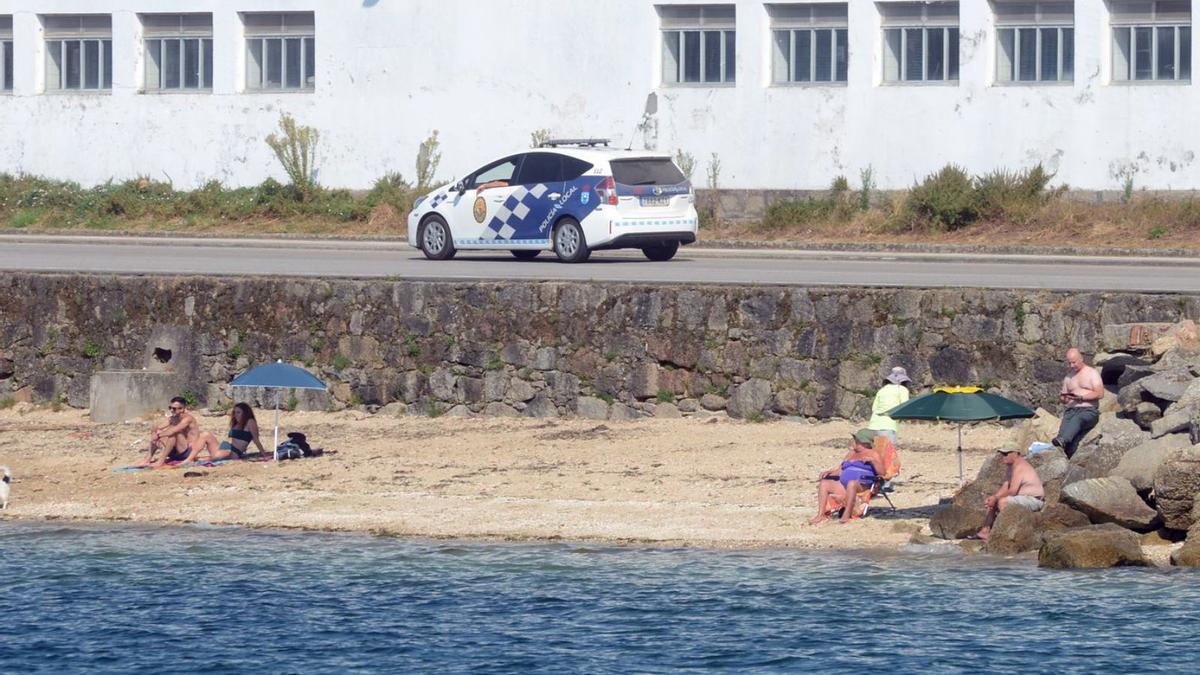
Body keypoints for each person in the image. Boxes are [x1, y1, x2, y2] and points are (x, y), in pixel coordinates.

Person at [809, 428, 885, 525]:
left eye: (856, 440)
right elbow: (841, 470)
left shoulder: (873, 454)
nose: (854, 442)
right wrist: (829, 473)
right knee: (824, 484)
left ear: (864, 443)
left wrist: (872, 461)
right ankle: (820, 515)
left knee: (852, 483)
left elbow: (882, 472)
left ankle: (846, 514)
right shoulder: (851, 453)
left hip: (862, 484)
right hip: (844, 484)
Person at [975, 444, 1045, 540]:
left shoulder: (1020, 467)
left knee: (1002, 502)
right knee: (993, 502)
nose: (1003, 456)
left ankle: (1005, 533)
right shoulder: (1011, 467)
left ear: (1016, 453)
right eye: (1002, 454)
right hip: (1022, 498)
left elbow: (1012, 491)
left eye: (1006, 453)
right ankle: (985, 531)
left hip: (1034, 500)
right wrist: (993, 497)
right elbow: (1005, 487)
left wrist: (996, 499)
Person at [1052, 347, 1103, 458]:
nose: (1072, 366)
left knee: (1078, 419)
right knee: (1063, 432)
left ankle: (1063, 440)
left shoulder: (1091, 373)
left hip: (1088, 411)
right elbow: (1063, 397)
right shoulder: (1068, 377)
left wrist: (1081, 398)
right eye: (1069, 363)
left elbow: (1100, 393)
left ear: (1081, 359)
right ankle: (1062, 452)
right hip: (1071, 411)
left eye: (1074, 362)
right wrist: (1063, 398)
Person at [187, 402, 266, 461]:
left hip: (234, 452)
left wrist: (264, 454)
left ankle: (190, 459)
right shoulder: (236, 423)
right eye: (234, 412)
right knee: (205, 434)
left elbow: (256, 439)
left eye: (239, 412)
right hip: (226, 447)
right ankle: (189, 458)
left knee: (214, 456)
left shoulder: (250, 422)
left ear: (245, 413)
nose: (236, 415)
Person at [146, 397, 204, 466]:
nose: (171, 410)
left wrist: (158, 435)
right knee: (159, 433)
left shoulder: (188, 419)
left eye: (174, 408)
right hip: (176, 451)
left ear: (182, 409)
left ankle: (160, 461)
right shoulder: (173, 418)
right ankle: (147, 460)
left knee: (175, 433)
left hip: (188, 452)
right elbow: (156, 427)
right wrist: (154, 433)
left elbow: (173, 431)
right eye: (170, 407)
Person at [868, 366, 911, 444]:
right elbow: (905, 407)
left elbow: (874, 408)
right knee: (888, 453)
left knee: (876, 453)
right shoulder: (902, 390)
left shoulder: (882, 390)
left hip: (873, 426)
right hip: (888, 426)